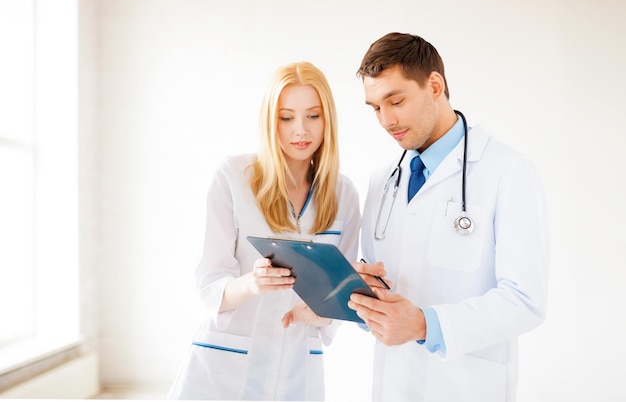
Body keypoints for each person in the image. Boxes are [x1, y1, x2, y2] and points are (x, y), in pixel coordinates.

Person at [347, 32, 549, 402]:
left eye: (396, 101)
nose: (386, 120)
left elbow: (526, 301)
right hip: (392, 384)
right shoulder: (383, 180)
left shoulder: (508, 171)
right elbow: (386, 284)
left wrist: (426, 325)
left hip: (465, 386)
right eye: (375, 108)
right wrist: (362, 292)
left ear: (434, 85)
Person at [168, 62, 361, 400]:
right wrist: (252, 283)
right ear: (270, 120)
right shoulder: (233, 176)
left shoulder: (343, 194)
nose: (300, 130)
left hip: (298, 362)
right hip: (224, 366)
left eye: (313, 116)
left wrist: (319, 312)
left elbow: (339, 300)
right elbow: (210, 286)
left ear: (327, 119)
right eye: (286, 118)